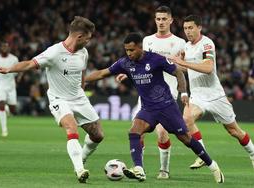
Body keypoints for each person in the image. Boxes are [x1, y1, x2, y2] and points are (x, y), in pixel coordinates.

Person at [85, 32, 224, 183]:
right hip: (148, 109)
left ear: (140, 47)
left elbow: (178, 72)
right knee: (134, 131)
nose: (129, 53)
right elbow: (102, 73)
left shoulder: (155, 59)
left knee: (185, 138)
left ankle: (213, 165)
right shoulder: (125, 63)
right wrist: (83, 80)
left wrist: (183, 91)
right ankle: (139, 169)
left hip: (166, 107)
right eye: (126, 50)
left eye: (132, 50)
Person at [0, 16, 104, 183]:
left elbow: (82, 71)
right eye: (88, 38)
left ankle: (81, 158)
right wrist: (9, 69)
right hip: (59, 99)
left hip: (79, 98)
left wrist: (82, 87)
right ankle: (79, 169)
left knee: (98, 135)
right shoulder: (54, 52)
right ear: (79, 37)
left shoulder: (84, 52)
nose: (89, 42)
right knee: (71, 127)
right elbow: (30, 64)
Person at [170, 15, 254, 169]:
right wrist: (172, 63)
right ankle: (203, 155)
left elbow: (208, 68)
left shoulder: (207, 44)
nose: (187, 31)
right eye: (185, 28)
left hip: (215, 95)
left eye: (191, 28)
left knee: (234, 131)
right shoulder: (187, 47)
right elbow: (185, 68)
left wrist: (183, 62)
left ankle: (253, 153)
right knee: (187, 119)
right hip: (197, 95)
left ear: (199, 27)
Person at [116, 6, 186, 179]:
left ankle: (164, 169)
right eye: (158, 19)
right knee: (137, 130)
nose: (161, 22)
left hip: (167, 93)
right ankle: (139, 168)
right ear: (155, 20)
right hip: (146, 94)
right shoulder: (146, 40)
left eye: (164, 19)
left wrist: (177, 65)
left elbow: (183, 68)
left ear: (171, 20)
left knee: (162, 133)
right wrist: (127, 72)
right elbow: (138, 61)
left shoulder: (179, 43)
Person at [0, 42, 19, 137]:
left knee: (13, 110)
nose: (5, 48)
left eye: (6, 46)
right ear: (0, 48)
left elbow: (18, 70)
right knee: (1, 105)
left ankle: (8, 109)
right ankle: (4, 130)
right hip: (0, 85)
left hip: (11, 86)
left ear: (9, 48)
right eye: (3, 46)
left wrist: (18, 78)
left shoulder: (14, 59)